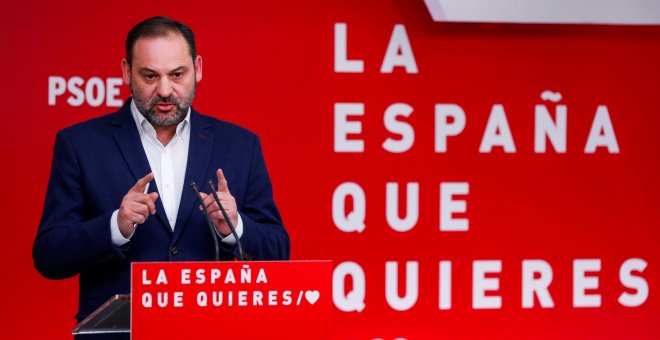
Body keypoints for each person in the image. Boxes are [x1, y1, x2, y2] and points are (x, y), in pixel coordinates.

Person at [33, 16, 290, 328]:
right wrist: (116, 225)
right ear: (127, 71)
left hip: (213, 330)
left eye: (177, 74)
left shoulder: (240, 145)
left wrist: (234, 226)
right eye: (150, 76)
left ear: (198, 68)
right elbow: (49, 256)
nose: (165, 90)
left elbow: (278, 251)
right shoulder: (80, 144)